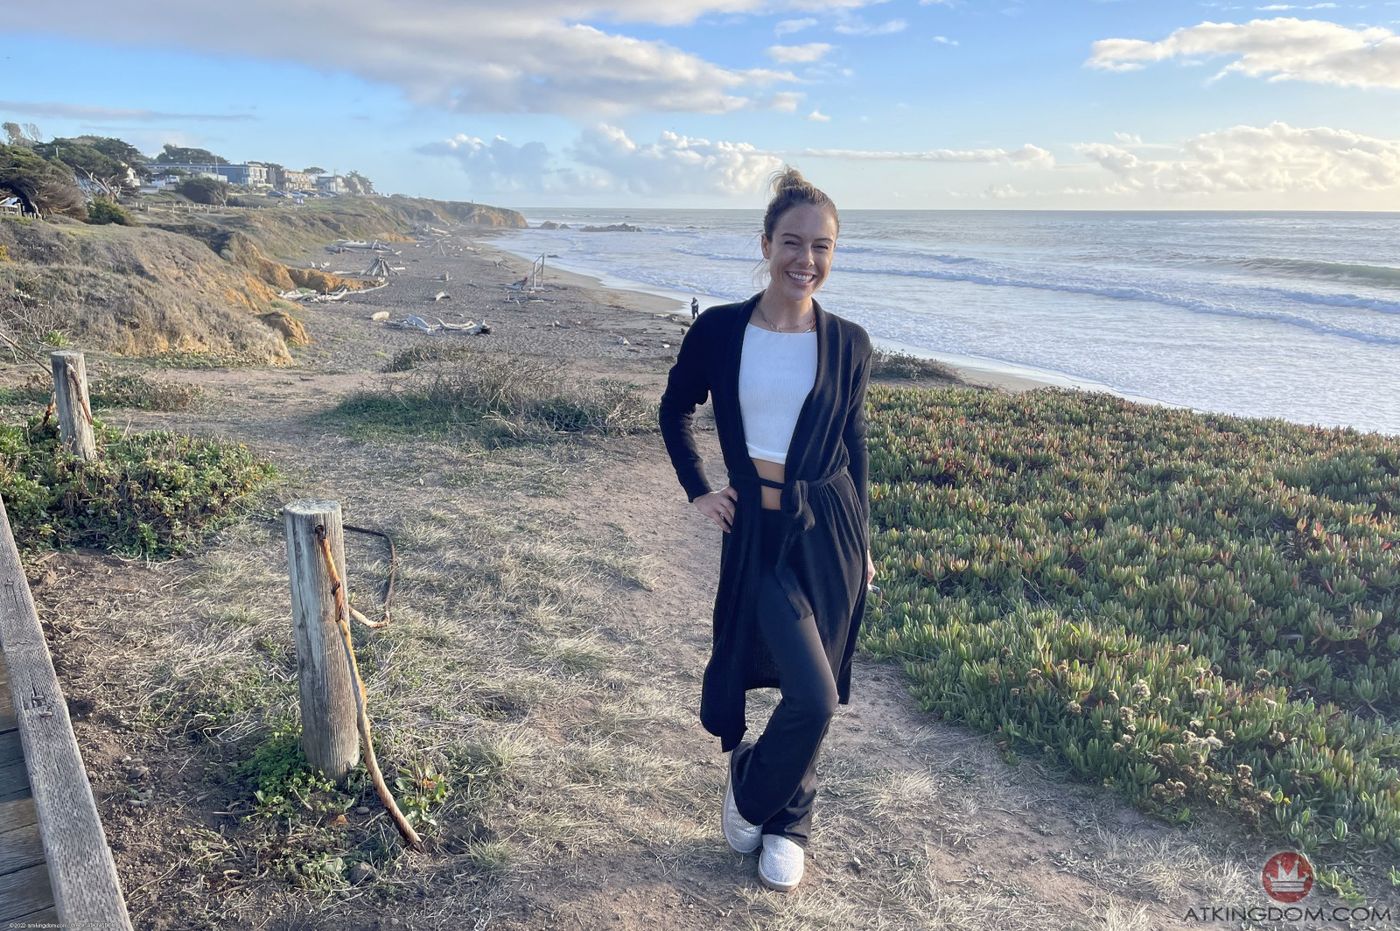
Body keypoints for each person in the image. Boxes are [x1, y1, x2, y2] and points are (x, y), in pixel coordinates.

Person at [659, 168, 874, 892]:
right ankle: (755, 787)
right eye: (792, 242)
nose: (805, 260)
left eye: (822, 246)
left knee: (816, 685)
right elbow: (675, 409)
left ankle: (786, 819)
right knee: (810, 692)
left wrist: (865, 543)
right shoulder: (721, 329)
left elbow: (854, 446)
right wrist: (699, 488)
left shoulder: (849, 343)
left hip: (830, 530)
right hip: (758, 532)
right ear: (766, 244)